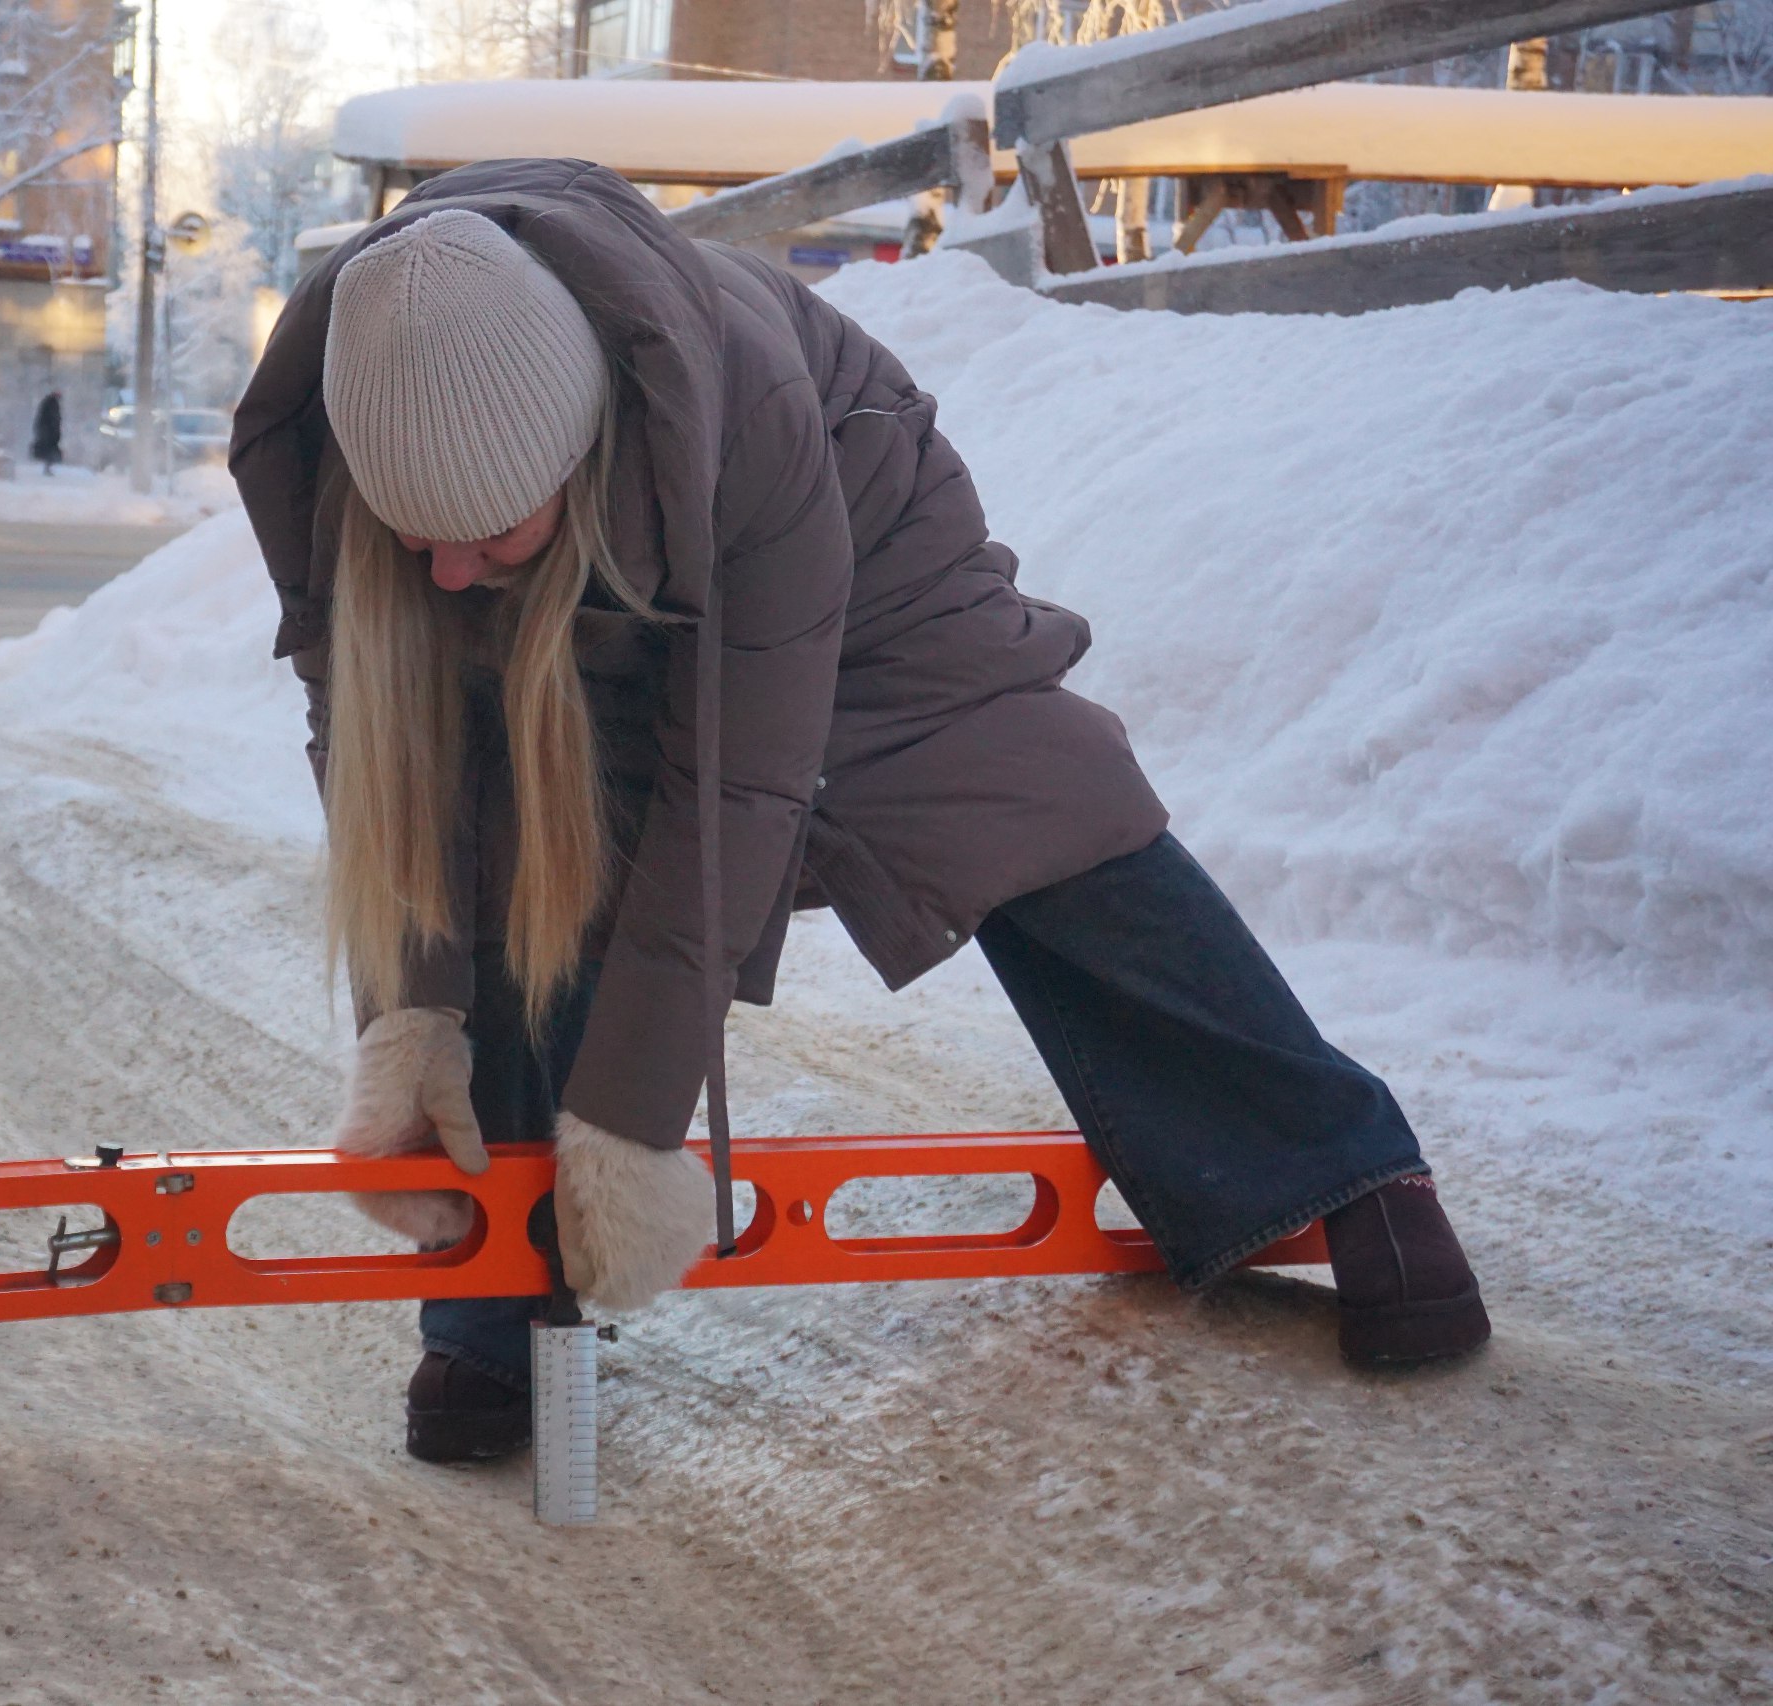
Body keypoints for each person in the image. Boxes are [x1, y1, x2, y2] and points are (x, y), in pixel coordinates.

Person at [230, 161, 1491, 1466]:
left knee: (1014, 790)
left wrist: (629, 1127)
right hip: (596, 584)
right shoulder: (352, 432)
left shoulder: (746, 410)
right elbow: (393, 776)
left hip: (856, 559)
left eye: (484, 528)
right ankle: (493, 1304)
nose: (444, 570)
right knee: (515, 849)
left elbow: (733, 789)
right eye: (416, 537)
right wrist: (414, 1024)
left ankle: (1341, 1169)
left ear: (573, 444)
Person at [31, 389, 65, 476]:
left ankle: (47, 467)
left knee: (48, 450)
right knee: (48, 450)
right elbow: (53, 419)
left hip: (47, 431)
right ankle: (47, 467)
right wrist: (55, 430)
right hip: (48, 432)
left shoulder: (49, 402)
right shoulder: (51, 403)